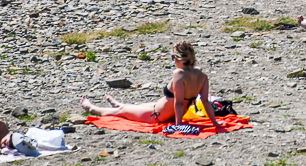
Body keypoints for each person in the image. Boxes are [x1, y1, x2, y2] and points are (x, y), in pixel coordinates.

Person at [81, 41, 223, 131]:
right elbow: (204, 101)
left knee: (122, 111)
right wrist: (214, 123)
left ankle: (92, 108)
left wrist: (179, 126)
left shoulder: (179, 74)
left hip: (158, 116)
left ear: (178, 59)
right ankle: (117, 103)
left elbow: (179, 103)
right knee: (143, 104)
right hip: (162, 110)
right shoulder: (201, 74)